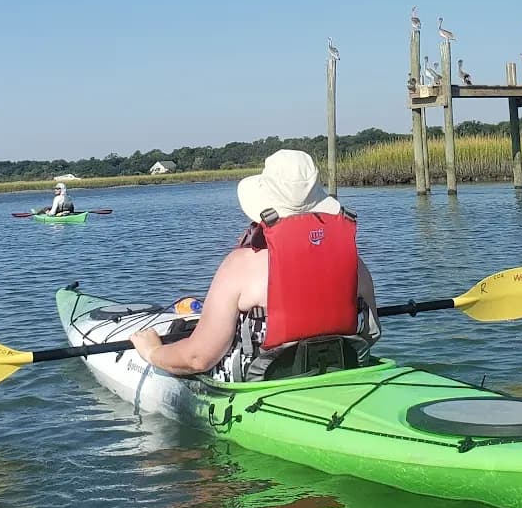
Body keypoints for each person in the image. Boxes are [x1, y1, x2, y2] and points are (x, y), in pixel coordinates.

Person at [130, 149, 380, 381]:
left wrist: (152, 352)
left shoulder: (242, 265)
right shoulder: (353, 261)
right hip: (340, 376)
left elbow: (199, 358)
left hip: (263, 386)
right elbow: (371, 334)